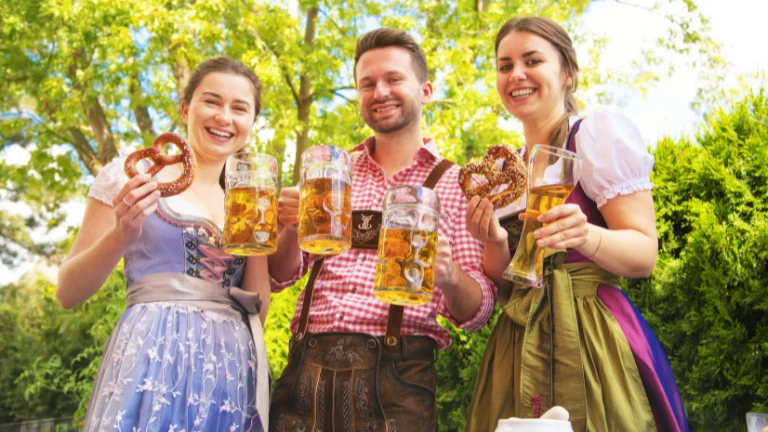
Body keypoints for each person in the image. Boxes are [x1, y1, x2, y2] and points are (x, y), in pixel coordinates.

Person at [464, 17, 689, 432]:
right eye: (504, 65)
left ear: (567, 72)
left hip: (592, 337)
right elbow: (504, 282)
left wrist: (588, 235)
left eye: (532, 60)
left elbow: (644, 255)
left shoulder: (594, 138)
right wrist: (493, 241)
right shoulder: (502, 170)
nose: (516, 75)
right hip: (517, 341)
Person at [267, 28, 495, 431]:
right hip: (305, 369)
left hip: (398, 378)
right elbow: (282, 275)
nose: (380, 92)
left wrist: (451, 276)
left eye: (394, 79)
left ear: (425, 91)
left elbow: (477, 311)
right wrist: (287, 229)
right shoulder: (331, 173)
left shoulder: (454, 184)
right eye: (367, 84)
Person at [57, 56, 270, 432]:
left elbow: (259, 310)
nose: (224, 116)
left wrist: (262, 237)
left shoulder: (246, 198)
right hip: (154, 357)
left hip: (231, 365)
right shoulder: (132, 177)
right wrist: (121, 234)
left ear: (251, 123)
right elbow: (68, 291)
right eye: (212, 101)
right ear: (185, 108)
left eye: (240, 108)